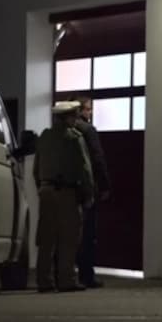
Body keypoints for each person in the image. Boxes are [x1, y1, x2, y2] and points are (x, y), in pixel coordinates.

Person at [33, 101, 94, 293]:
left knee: (46, 238)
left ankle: (44, 280)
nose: (76, 119)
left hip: (46, 190)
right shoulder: (74, 138)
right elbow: (84, 169)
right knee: (69, 237)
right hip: (67, 192)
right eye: (74, 116)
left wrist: (41, 187)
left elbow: (36, 167)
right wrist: (88, 193)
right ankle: (66, 279)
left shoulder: (44, 137)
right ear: (67, 117)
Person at [71, 95, 111, 289]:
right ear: (79, 111)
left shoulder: (62, 130)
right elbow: (97, 158)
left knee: (67, 233)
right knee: (87, 234)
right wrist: (104, 185)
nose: (90, 112)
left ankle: (64, 272)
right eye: (87, 109)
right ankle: (87, 275)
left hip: (68, 189)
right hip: (87, 188)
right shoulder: (88, 130)